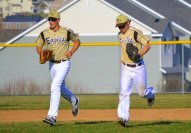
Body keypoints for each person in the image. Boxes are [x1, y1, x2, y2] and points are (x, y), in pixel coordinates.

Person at [35, 10, 81, 126]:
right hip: (52, 64)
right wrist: (40, 53)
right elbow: (38, 45)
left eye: (53, 19)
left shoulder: (66, 31)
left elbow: (77, 41)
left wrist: (71, 52)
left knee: (55, 86)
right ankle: (74, 100)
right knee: (60, 88)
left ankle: (52, 116)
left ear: (58, 20)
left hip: (64, 63)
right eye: (49, 19)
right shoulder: (44, 33)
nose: (51, 21)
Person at [115, 14, 155, 127]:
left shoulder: (135, 32)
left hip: (138, 67)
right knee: (124, 93)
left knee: (142, 93)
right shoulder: (119, 35)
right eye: (119, 26)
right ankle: (123, 118)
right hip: (125, 68)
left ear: (128, 23)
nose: (121, 28)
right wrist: (122, 59)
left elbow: (148, 45)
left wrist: (139, 54)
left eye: (122, 26)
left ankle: (151, 93)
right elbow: (124, 49)